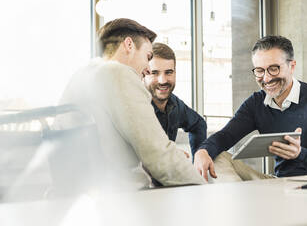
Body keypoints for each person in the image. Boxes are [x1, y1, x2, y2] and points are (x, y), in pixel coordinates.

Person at [58, 18, 205, 189]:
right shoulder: (117, 73)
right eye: (147, 56)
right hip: (124, 197)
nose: (148, 69)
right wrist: (205, 189)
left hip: (88, 191)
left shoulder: (83, 75)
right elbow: (160, 158)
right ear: (129, 45)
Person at [194, 35, 307, 181]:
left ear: (291, 66)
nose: (266, 78)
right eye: (260, 70)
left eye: (274, 68)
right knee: (216, 156)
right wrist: (202, 151)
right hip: (278, 183)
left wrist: (300, 154)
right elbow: (225, 136)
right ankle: (236, 205)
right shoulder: (256, 103)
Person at [143, 43, 207, 159]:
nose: (163, 81)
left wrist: (198, 157)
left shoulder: (175, 104)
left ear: (175, 73)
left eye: (168, 72)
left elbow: (198, 124)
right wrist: (166, 154)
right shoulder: (134, 105)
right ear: (144, 74)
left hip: (169, 175)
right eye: (154, 73)